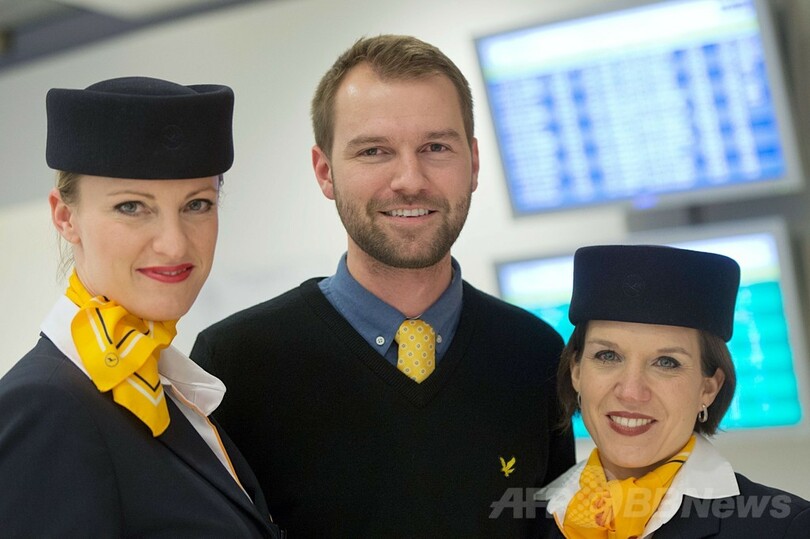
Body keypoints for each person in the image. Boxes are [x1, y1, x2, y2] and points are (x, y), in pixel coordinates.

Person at [191, 34, 575, 537]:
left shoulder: (535, 355)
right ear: (325, 172)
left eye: (436, 147)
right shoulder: (233, 366)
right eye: (374, 151)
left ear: (474, 164)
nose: (410, 180)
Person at [0, 76, 282, 537]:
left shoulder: (165, 389)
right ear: (65, 217)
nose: (174, 244)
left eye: (197, 204)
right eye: (132, 207)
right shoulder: (46, 409)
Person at [537, 244, 810, 538]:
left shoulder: (785, 528)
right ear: (576, 371)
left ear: (709, 388)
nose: (631, 391)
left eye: (666, 362)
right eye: (608, 356)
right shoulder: (528, 521)